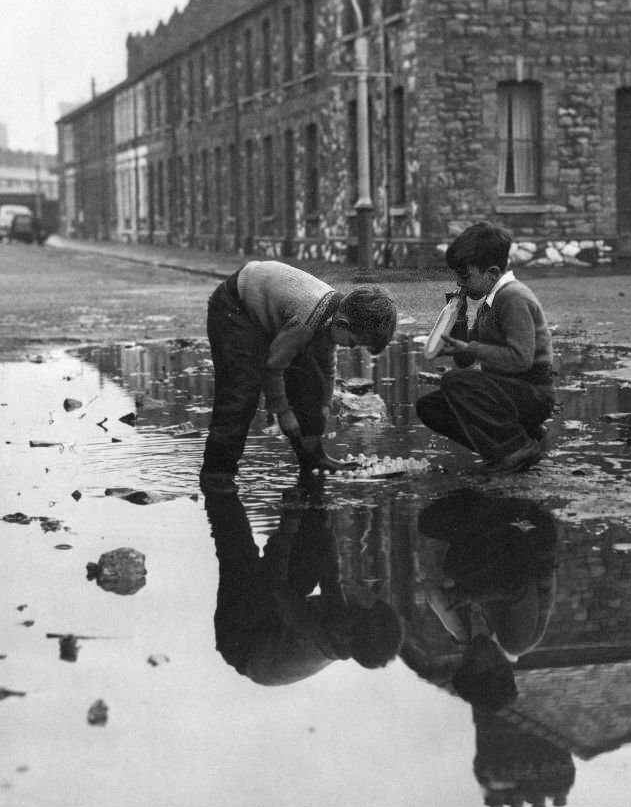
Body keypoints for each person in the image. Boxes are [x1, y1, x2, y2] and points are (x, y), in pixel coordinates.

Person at [201, 260, 397, 494]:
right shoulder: (308, 319)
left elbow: (325, 365)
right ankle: (217, 474)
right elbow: (273, 367)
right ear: (343, 324)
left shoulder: (333, 317)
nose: (351, 348)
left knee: (310, 379)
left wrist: (324, 403)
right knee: (241, 392)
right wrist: (283, 412)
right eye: (354, 343)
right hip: (234, 307)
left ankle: (312, 456)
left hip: (274, 310)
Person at [203, 485, 403, 685]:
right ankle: (308, 490)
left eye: (369, 601)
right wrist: (320, 511)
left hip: (242, 639)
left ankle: (219, 487)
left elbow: (274, 586)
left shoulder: (311, 631)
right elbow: (330, 570)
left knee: (238, 549)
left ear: (356, 624)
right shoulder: (344, 626)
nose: (367, 593)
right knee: (313, 547)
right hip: (270, 628)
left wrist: (289, 522)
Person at [416, 221, 554, 472]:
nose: (460, 283)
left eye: (465, 276)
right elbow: (465, 361)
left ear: (491, 273)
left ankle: (516, 446)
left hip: (533, 392)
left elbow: (520, 358)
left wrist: (471, 349)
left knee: (455, 382)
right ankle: (504, 448)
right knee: (430, 407)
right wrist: (456, 320)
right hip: (505, 392)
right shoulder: (488, 304)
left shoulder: (513, 298)